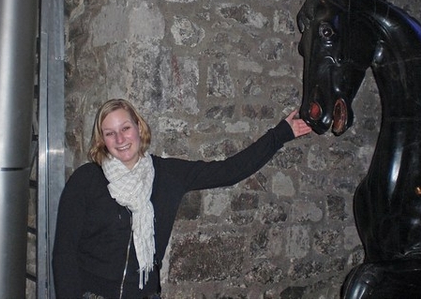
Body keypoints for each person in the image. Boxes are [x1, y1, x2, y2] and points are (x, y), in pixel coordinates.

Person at [52, 98, 312, 299]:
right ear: (102, 140)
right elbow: (64, 254)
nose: (119, 139)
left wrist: (280, 134)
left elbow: (230, 171)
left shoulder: (167, 174)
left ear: (138, 127)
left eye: (125, 128)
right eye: (110, 133)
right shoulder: (86, 179)